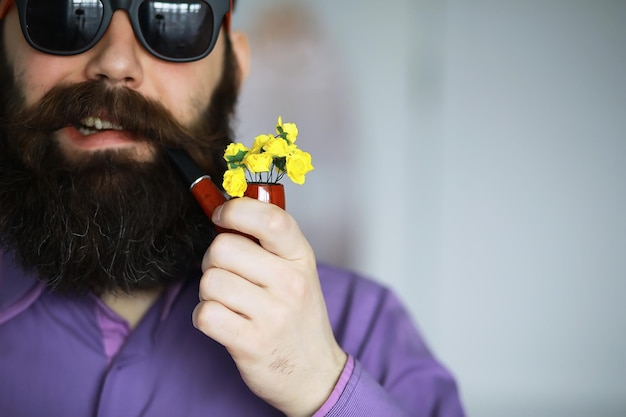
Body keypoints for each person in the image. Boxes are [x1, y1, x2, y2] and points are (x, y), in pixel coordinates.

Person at [0, 1, 465, 416]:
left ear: (236, 68)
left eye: (173, 15)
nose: (116, 63)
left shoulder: (363, 324)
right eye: (62, 10)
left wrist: (322, 388)